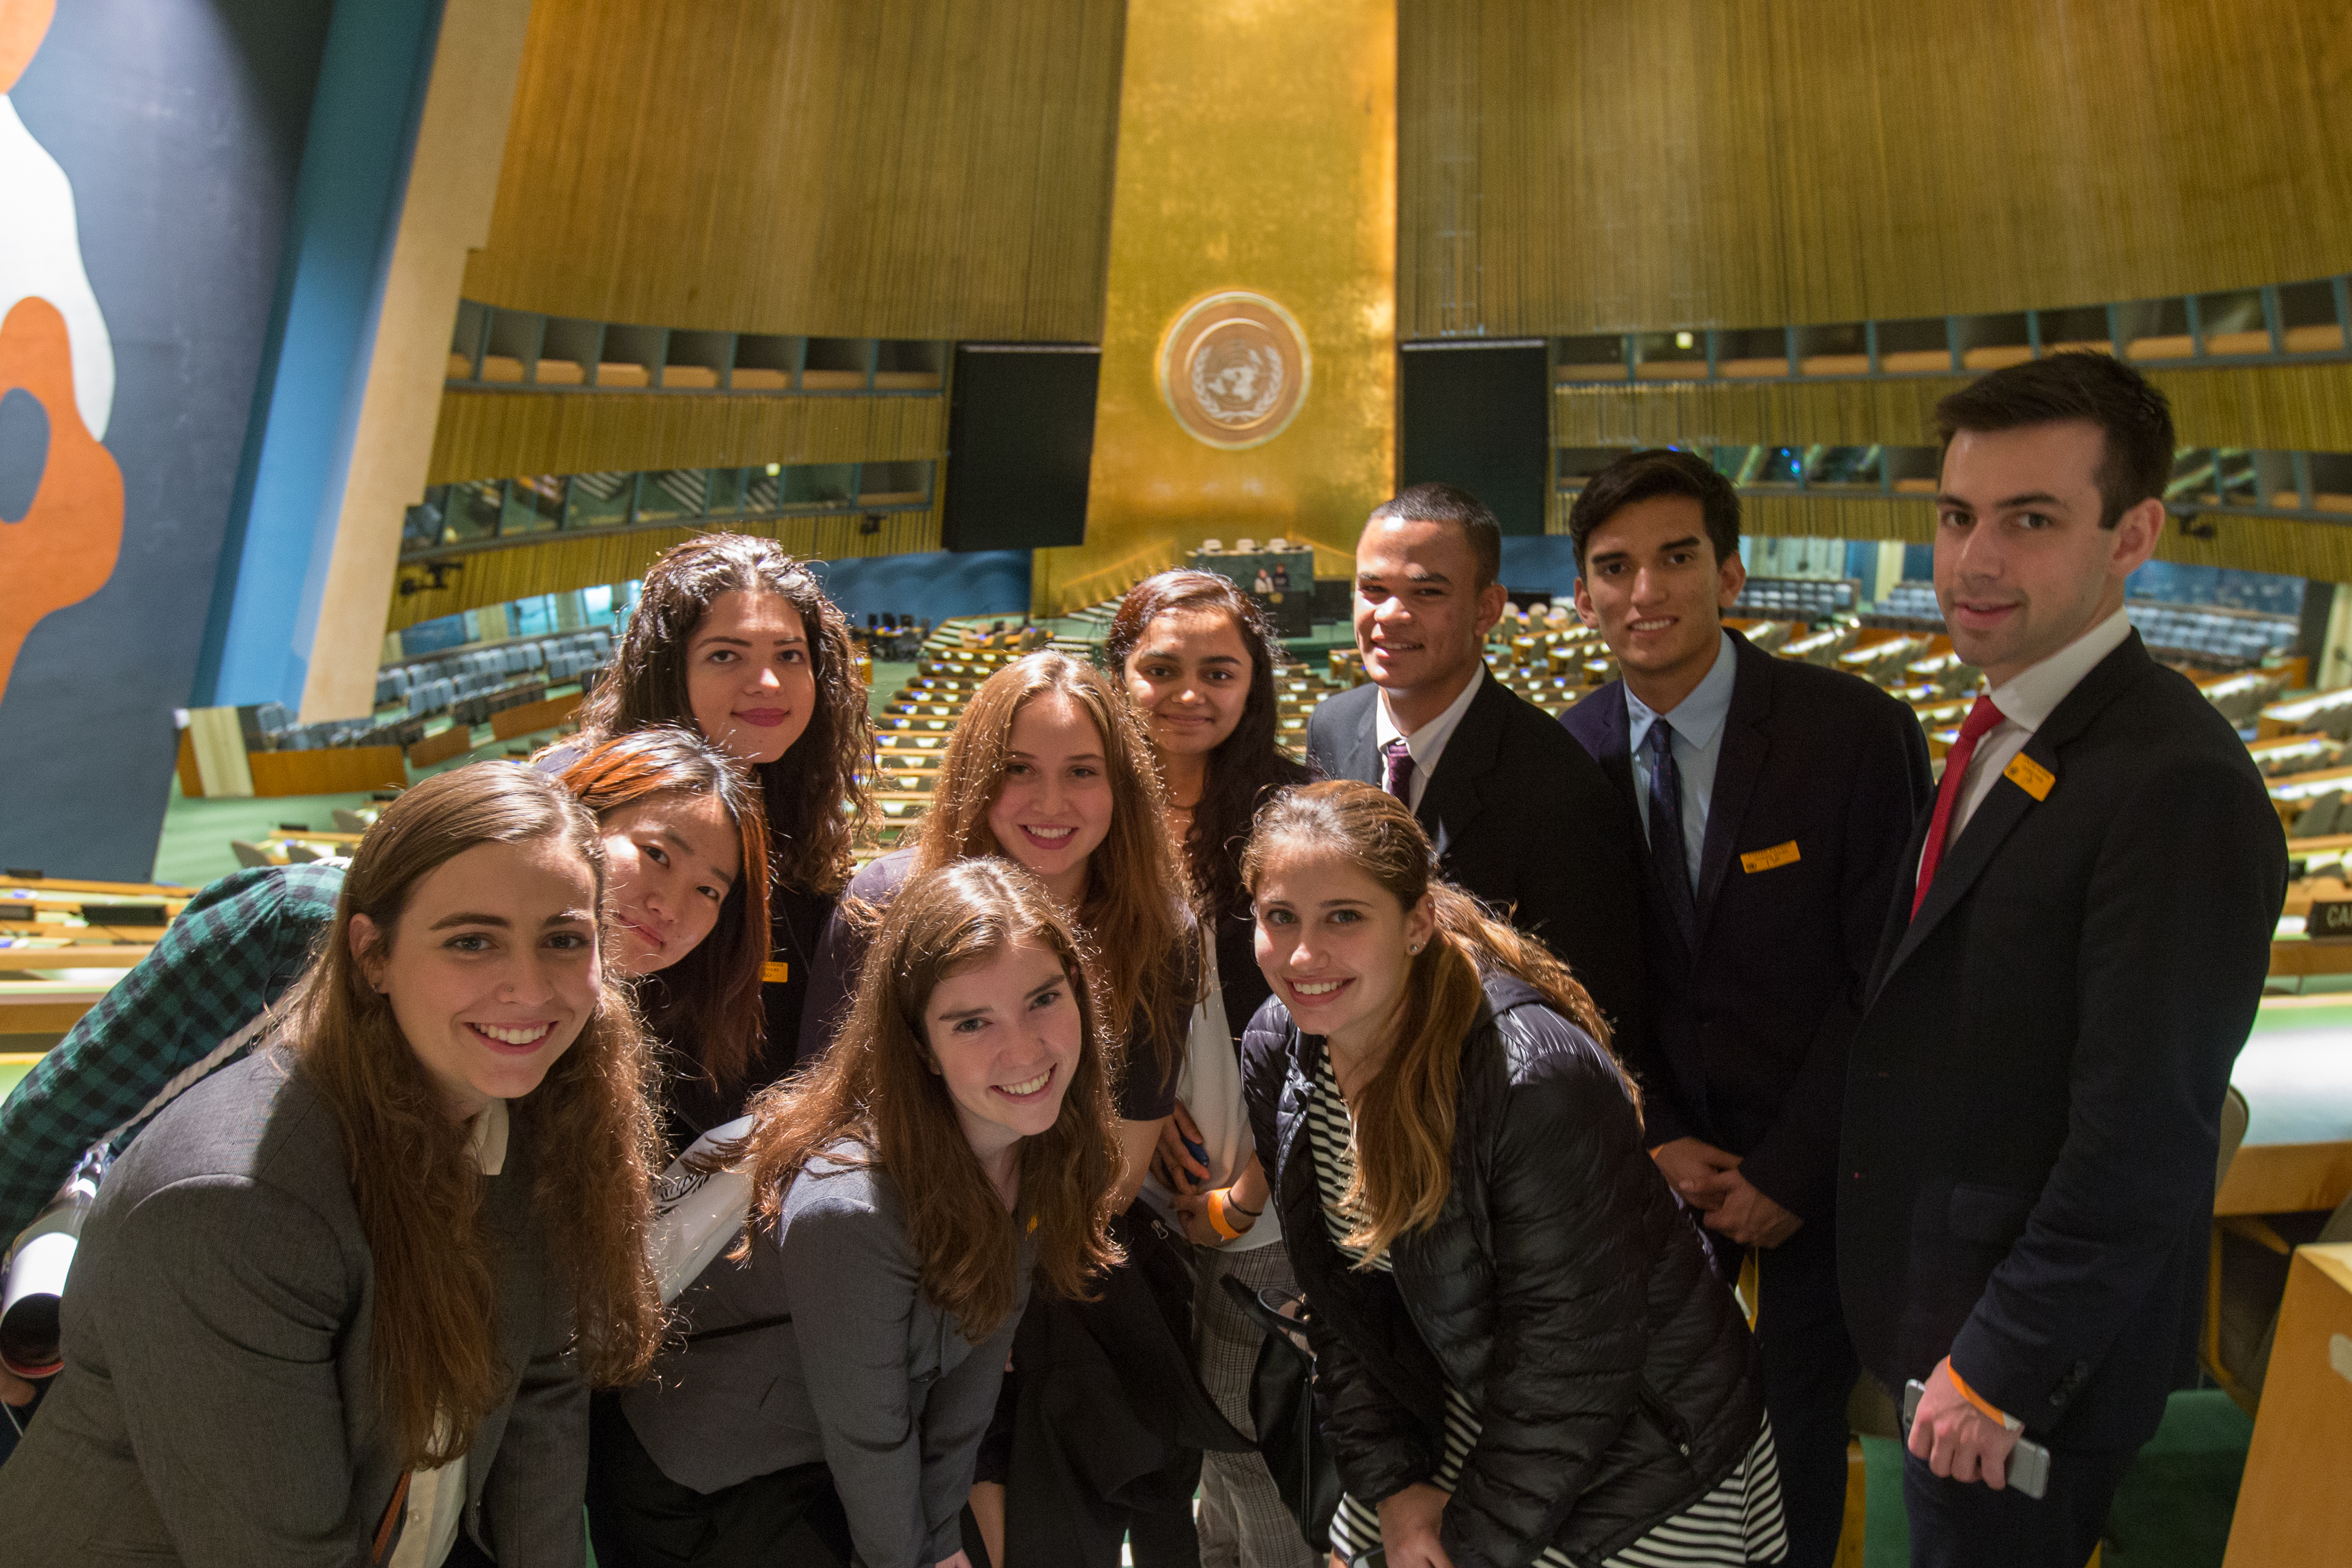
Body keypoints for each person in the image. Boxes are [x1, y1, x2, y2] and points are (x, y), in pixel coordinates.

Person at [1838, 354, 2286, 1566]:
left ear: (2131, 533)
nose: (1976, 560)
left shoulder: (2175, 784)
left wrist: (1998, 1368)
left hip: (2018, 1371)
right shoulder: (2009, 727)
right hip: (1949, 1319)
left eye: (2031, 521)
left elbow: (2145, 1135)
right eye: (1957, 517)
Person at [0, 765, 668, 1565]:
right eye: (471, 940)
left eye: (563, 939)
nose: (528, 985)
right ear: (371, 954)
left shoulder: (536, 1123)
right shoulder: (230, 1204)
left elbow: (538, 1389)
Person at [0, 729, 764, 1418]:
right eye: (658, 853)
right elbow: (56, 1115)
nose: (674, 904)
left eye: (710, 891)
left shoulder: (585, 1037)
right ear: (576, 817)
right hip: (90, 1343)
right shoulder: (301, 918)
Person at [1239, 781, 1786, 1568]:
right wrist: (1395, 1492)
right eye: (1279, 917)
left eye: (1345, 917)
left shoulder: (1532, 1078)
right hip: (1459, 1411)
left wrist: (1467, 1545)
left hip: (1641, 1445)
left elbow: (1574, 1362)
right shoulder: (1279, 1049)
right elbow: (1343, 1307)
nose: (1303, 956)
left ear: (1417, 921)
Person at [1559, 449, 1932, 1567]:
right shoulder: (1567, 752)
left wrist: (1786, 1170)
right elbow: (1584, 982)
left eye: (1676, 558)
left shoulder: (1854, 731)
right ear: (1579, 592)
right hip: (1653, 1182)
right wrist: (1658, 1130)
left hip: (1822, 1179)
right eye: (1612, 567)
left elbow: (1885, 978)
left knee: (1793, 1444)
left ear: (1729, 573)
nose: (1643, 591)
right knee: (1652, 1451)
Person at [799, 650, 1227, 1568]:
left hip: (1054, 1275)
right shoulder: (882, 904)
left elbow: (1110, 1174)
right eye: (1018, 770)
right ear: (973, 776)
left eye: (1083, 772)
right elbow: (830, 1131)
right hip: (893, 1278)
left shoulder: (1159, 928)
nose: (1052, 802)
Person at [591, 859, 1126, 1568]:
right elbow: (867, 1435)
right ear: (921, 1050)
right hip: (708, 1487)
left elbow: (971, 1379)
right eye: (972, 1021)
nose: (1023, 1047)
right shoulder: (850, 1209)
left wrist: (942, 1546)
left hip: (830, 1452)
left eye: (1042, 999)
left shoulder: (1032, 1147)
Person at [1104, 569, 1316, 1568]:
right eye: (1161, 668)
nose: (1189, 691)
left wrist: (1244, 1191)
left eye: (1218, 671)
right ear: (1118, 675)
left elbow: (1335, 1035)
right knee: (1174, 1461)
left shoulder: (1294, 815)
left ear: (1253, 684)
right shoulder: (1086, 816)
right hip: (1126, 1198)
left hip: (1253, 1198)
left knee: (1248, 1445)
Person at [1304, 481, 1647, 1042]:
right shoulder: (1333, 725)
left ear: (1487, 609)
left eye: (1427, 592)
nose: (1390, 615)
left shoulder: (1560, 782)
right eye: (1373, 589)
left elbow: (1585, 1005)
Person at [577, 532, 875, 1090]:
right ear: (669, 670)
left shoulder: (799, 818)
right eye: (725, 655)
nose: (767, 683)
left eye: (790, 655)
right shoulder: (579, 804)